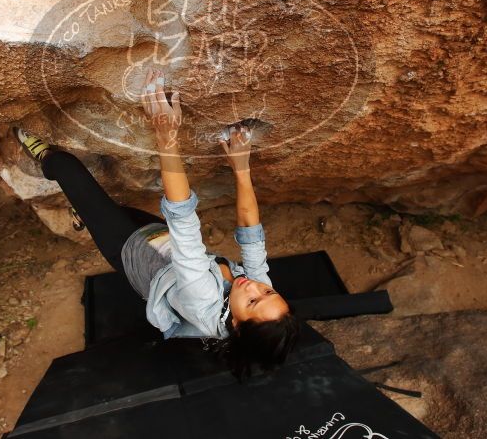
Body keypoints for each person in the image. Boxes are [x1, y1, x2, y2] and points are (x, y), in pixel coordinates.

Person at [15, 67, 300, 381]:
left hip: (131, 250)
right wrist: (242, 168)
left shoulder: (202, 298)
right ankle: (86, 215)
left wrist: (166, 136)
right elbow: (250, 233)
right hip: (161, 239)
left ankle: (45, 158)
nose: (255, 287)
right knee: (115, 209)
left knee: (69, 169)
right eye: (269, 292)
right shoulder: (254, 289)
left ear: (235, 324)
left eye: (252, 301)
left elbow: (184, 220)